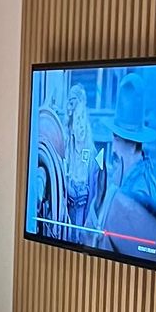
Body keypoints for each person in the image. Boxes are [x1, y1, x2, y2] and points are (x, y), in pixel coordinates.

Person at [96, 70, 156, 259]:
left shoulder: (137, 191)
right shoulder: (134, 171)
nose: (112, 147)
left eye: (115, 138)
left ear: (127, 142)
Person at [63, 84, 101, 241]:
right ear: (71, 125)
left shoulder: (93, 155)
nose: (81, 125)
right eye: (77, 119)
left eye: (83, 118)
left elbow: (98, 197)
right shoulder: (64, 150)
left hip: (85, 233)